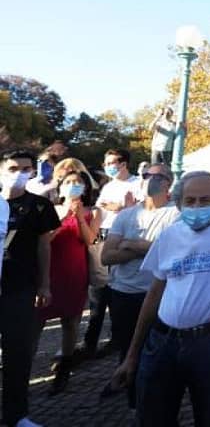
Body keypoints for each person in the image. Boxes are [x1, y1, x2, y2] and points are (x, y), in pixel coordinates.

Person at [111, 170, 210, 426]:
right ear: (179, 203)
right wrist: (133, 354)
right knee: (153, 417)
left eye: (204, 200)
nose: (197, 207)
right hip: (163, 341)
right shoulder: (170, 235)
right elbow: (155, 294)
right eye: (190, 201)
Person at [101, 163, 180, 408]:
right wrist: (147, 248)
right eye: (146, 175)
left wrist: (131, 245)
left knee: (158, 351)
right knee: (127, 348)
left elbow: (171, 253)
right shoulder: (126, 215)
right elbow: (107, 256)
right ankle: (134, 401)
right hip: (123, 293)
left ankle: (157, 403)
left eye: (157, 176)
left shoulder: (175, 214)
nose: (150, 179)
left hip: (158, 294)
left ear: (169, 182)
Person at [1, 148, 58, 427]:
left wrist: (44, 285)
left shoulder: (39, 206)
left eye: (24, 169)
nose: (18, 174)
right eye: (12, 168)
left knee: (18, 353)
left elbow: (43, 245)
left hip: (20, 288)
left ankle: (16, 415)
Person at [33, 169, 101, 394]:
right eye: (69, 182)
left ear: (85, 188)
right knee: (36, 322)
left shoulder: (93, 211)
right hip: (49, 271)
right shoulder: (47, 209)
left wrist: (80, 217)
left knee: (70, 322)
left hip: (75, 271)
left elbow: (89, 240)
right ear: (60, 187)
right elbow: (43, 240)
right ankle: (22, 368)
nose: (73, 185)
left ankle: (64, 367)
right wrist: (62, 218)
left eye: (78, 182)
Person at [81, 148, 142, 359]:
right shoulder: (108, 186)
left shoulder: (138, 184)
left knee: (117, 292)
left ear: (123, 163)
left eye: (112, 162)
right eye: (106, 163)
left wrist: (124, 208)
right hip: (104, 237)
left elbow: (140, 210)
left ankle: (118, 340)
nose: (108, 166)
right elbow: (101, 210)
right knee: (98, 292)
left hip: (125, 238)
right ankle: (90, 342)